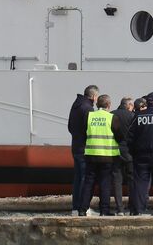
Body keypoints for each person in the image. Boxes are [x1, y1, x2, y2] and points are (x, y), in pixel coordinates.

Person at [78, 95, 122, 216]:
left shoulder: (89, 116)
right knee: (105, 183)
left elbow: (83, 133)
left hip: (91, 155)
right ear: (109, 105)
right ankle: (104, 211)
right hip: (107, 156)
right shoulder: (112, 118)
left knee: (88, 183)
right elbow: (120, 136)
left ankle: (82, 210)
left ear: (97, 104)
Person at [68, 84, 98, 216]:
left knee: (78, 178)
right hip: (85, 148)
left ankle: (75, 208)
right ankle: (83, 209)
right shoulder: (88, 108)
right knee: (85, 179)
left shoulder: (75, 106)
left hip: (76, 146)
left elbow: (70, 127)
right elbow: (90, 129)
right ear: (94, 96)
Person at [110, 97, 134, 216]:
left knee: (116, 180)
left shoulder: (111, 114)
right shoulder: (132, 116)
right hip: (129, 151)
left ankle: (119, 208)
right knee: (132, 179)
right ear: (128, 105)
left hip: (114, 151)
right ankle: (132, 207)